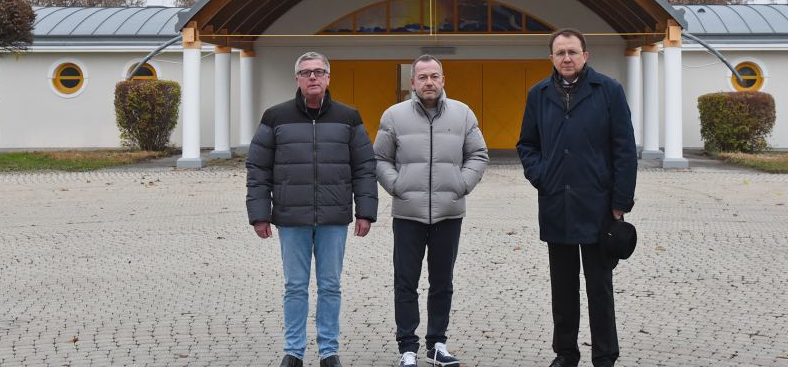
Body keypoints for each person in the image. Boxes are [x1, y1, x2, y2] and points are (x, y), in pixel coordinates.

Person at [246, 51, 378, 367]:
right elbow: (258, 168)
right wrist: (260, 213)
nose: (313, 77)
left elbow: (364, 167)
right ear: (297, 80)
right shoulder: (274, 117)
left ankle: (329, 351)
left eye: (319, 72)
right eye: (306, 73)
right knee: (295, 287)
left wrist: (365, 211)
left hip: (334, 218)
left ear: (328, 78)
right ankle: (293, 351)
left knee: (330, 286)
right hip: (292, 219)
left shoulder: (349, 118)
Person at [516, 28, 638, 367]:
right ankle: (565, 354)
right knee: (563, 288)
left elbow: (625, 150)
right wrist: (541, 176)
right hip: (557, 204)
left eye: (572, 52)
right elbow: (526, 144)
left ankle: (605, 356)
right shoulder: (538, 94)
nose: (566, 58)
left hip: (599, 206)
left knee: (600, 287)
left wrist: (620, 202)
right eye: (560, 53)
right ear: (551, 58)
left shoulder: (608, 91)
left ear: (586, 55)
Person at [373, 55, 489, 367]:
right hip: (407, 213)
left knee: (442, 281)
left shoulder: (462, 114)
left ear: (443, 79)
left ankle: (437, 343)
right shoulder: (394, 116)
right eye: (422, 77)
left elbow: (478, 153)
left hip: (448, 213)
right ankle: (407, 346)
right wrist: (397, 186)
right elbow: (380, 159)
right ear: (411, 82)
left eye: (434, 76)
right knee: (405, 281)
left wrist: (461, 184)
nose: (428, 82)